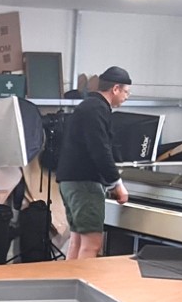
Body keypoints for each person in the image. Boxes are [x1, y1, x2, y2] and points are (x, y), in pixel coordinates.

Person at [56, 66, 133, 260]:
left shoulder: (89, 106)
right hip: (85, 183)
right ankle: (81, 288)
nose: (127, 97)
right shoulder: (96, 109)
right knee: (92, 244)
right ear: (115, 88)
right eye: (126, 92)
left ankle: (68, 284)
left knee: (77, 241)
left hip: (71, 181)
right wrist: (117, 184)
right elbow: (100, 149)